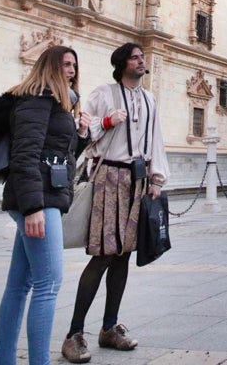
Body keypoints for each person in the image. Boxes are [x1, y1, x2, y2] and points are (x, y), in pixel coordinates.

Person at [61, 43, 169, 364]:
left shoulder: (149, 99)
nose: (141, 61)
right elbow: (83, 130)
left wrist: (157, 179)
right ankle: (74, 334)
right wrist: (107, 121)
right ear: (122, 64)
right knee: (104, 255)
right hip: (108, 177)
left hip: (138, 180)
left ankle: (109, 328)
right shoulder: (104, 93)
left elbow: (155, 139)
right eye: (135, 58)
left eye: (142, 57)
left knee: (123, 256)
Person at [0, 46, 90, 365]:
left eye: (74, 65)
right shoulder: (37, 99)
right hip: (38, 199)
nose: (71, 70)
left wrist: (81, 135)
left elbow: (58, 154)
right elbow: (25, 155)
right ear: (49, 67)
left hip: (42, 196)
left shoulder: (56, 104)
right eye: (65, 64)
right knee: (48, 284)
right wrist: (33, 208)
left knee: (19, 286)